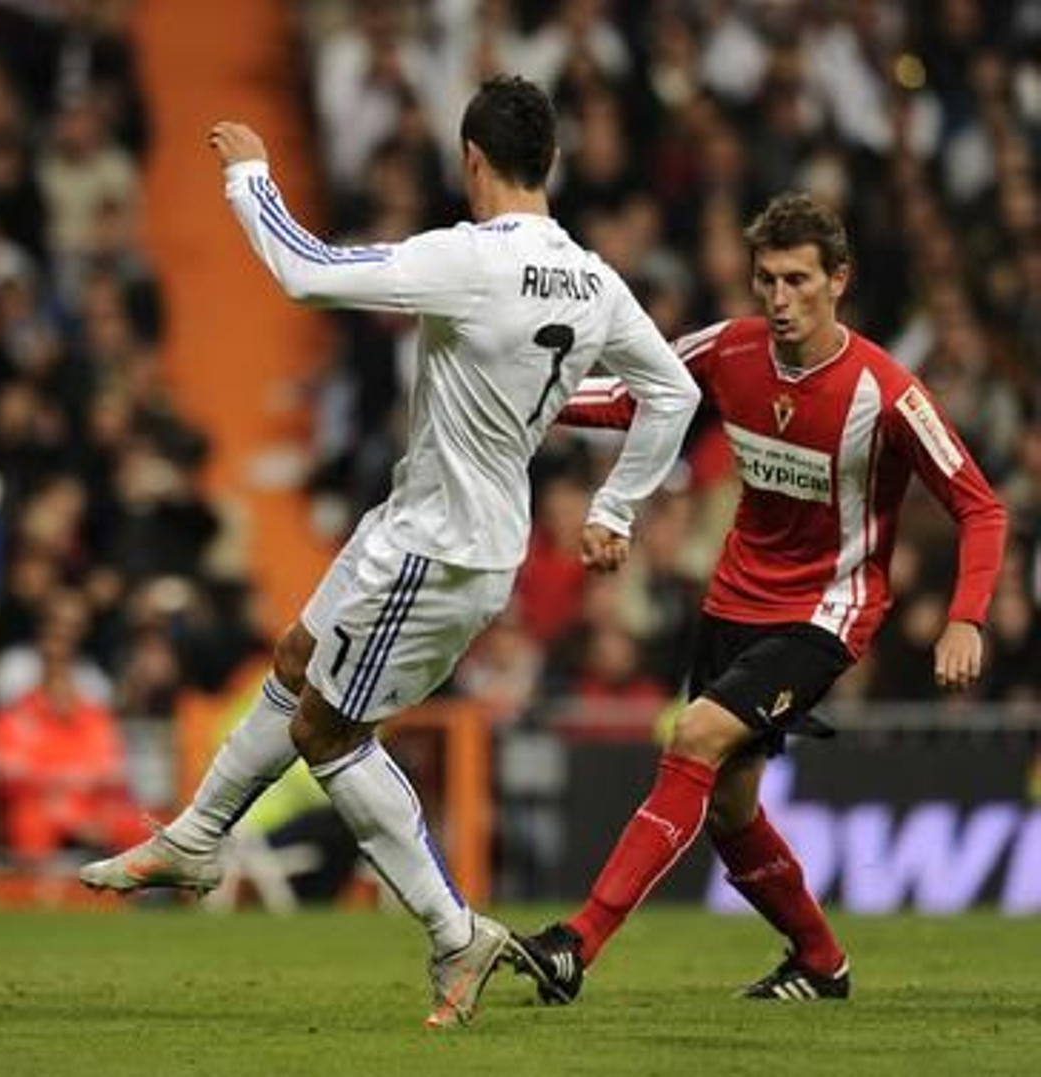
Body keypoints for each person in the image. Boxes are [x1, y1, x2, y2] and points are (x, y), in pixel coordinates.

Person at [78, 75, 700, 1029]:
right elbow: (675, 396)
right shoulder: (596, 279)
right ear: (554, 163)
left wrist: (250, 175)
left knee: (326, 733)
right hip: (426, 526)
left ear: (472, 160)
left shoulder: (469, 257)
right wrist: (616, 506)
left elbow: (307, 269)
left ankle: (455, 933)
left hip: (437, 550)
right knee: (296, 659)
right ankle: (198, 834)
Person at [503, 192, 1008, 1004]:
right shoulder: (730, 349)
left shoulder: (887, 393)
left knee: (695, 736)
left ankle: (576, 944)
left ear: (837, 280)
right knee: (731, 807)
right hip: (733, 599)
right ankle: (820, 960)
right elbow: (640, 398)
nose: (778, 299)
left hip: (824, 612)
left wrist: (966, 617)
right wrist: (535, 406)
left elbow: (981, 505)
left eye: (798, 280)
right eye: (766, 279)